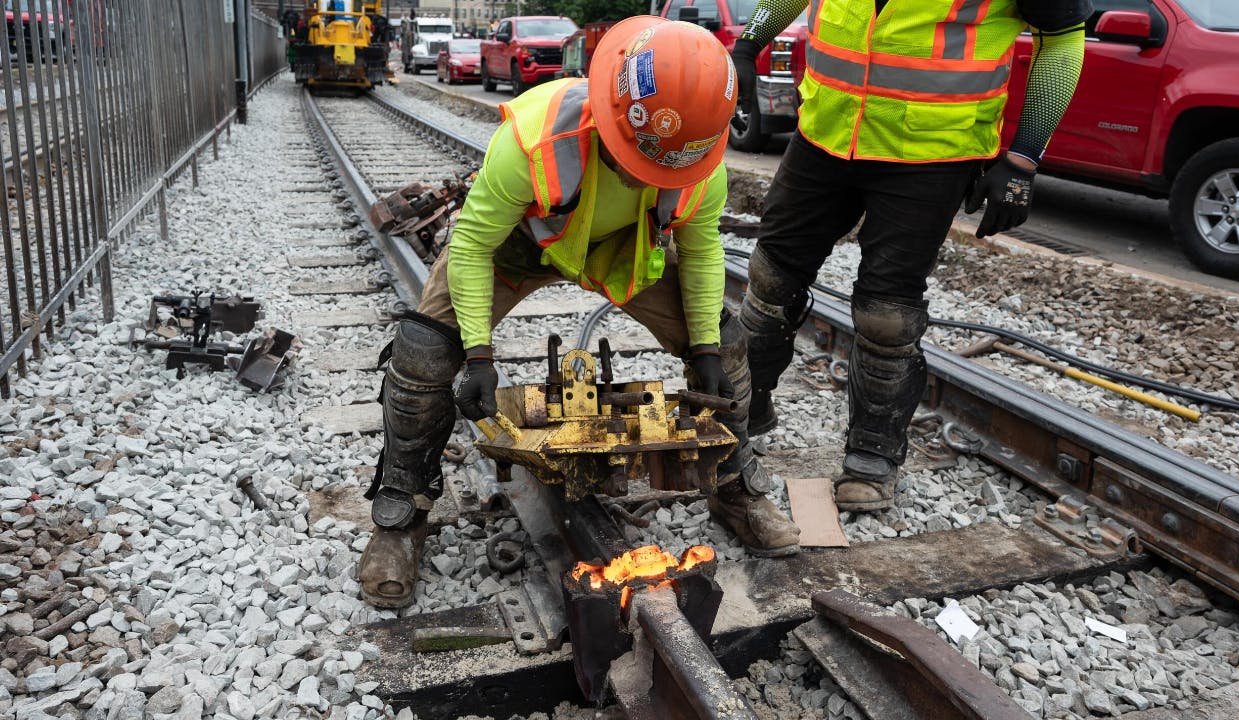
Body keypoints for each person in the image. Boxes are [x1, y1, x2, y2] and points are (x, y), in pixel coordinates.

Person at [359, 16, 802, 609]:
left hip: (621, 252)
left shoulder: (700, 159)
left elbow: (699, 253)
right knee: (425, 351)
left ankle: (734, 487)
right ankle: (399, 515)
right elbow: (469, 249)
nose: (648, 178)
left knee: (728, 345)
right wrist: (479, 355)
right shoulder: (533, 143)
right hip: (524, 243)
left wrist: (703, 349)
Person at [731, 0, 1092, 511]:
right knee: (770, 276)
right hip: (825, 132)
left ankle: (872, 455)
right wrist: (749, 44)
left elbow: (1063, 38)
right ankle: (747, 405)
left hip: (931, 152)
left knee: (886, 312)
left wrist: (1024, 157)